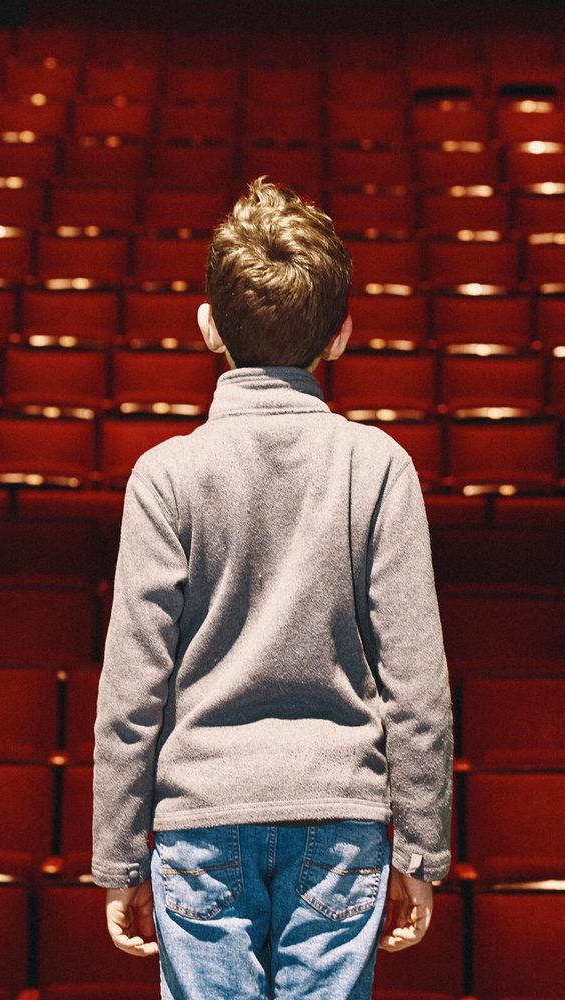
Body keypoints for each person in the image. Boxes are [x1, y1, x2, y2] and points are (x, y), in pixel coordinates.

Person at [92, 177, 454, 1000]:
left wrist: (116, 857)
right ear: (343, 336)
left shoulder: (164, 475)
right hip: (342, 819)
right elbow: (418, 685)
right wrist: (422, 849)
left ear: (207, 327)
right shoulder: (379, 467)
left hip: (200, 818)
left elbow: (131, 692)